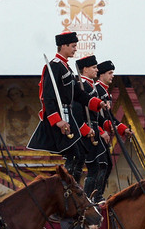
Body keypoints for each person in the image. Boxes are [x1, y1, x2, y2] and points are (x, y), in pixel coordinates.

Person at [27, 31, 104, 185]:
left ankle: (71, 190)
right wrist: (58, 121)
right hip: (60, 117)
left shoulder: (66, 68)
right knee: (75, 155)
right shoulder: (54, 66)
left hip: (68, 115)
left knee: (80, 154)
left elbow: (78, 93)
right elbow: (47, 97)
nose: (76, 49)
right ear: (64, 46)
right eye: (73, 46)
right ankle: (65, 189)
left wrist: (96, 103)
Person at [94, 60, 132, 203]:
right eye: (110, 73)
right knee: (102, 165)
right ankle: (95, 196)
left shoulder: (105, 92)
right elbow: (96, 118)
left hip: (104, 133)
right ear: (101, 74)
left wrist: (123, 129)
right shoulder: (97, 90)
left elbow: (110, 117)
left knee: (107, 165)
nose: (112, 76)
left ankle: (98, 195)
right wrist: (102, 130)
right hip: (98, 135)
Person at [73, 55, 106, 197]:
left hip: (93, 129)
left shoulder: (90, 85)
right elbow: (76, 109)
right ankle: (84, 198)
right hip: (85, 131)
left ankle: (89, 197)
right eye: (94, 67)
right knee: (84, 166)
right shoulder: (82, 85)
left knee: (95, 166)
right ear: (85, 69)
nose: (97, 70)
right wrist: (84, 129)